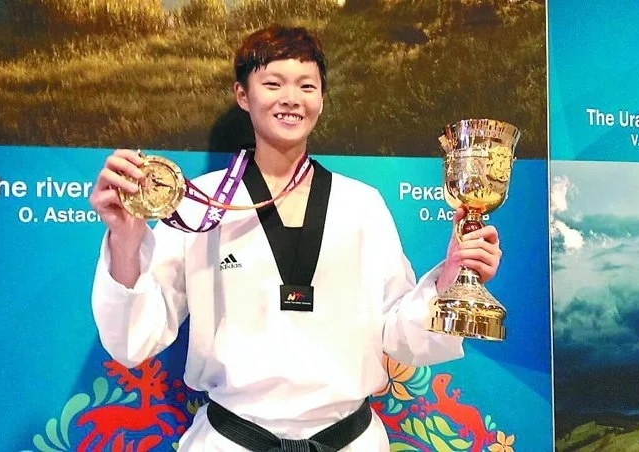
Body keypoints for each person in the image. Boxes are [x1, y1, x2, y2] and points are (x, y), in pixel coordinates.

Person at [88, 24, 502, 452]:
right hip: (234, 441)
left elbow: (400, 334)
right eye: (273, 84)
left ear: (321, 98)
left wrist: (451, 282)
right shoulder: (199, 205)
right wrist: (125, 238)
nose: (291, 98)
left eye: (307, 85)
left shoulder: (362, 204)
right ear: (242, 95)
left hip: (348, 441)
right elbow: (134, 339)